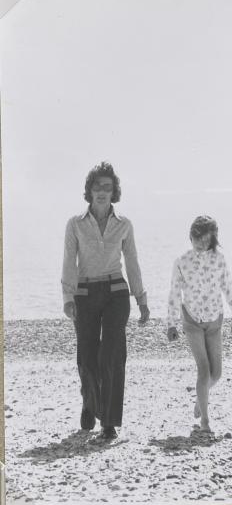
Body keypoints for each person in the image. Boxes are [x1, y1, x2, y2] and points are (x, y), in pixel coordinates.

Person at [62, 161, 150, 440]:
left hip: (116, 293)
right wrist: (68, 296)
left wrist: (141, 298)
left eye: (107, 187)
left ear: (114, 193)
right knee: (87, 359)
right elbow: (69, 262)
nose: (102, 191)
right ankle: (90, 402)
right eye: (97, 186)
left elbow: (132, 262)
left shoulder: (124, 225)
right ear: (89, 191)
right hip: (85, 294)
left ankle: (109, 422)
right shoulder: (75, 224)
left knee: (111, 355)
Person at [166, 216, 232, 432]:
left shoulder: (219, 260)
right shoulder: (181, 261)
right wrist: (171, 324)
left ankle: (200, 399)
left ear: (213, 239)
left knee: (216, 373)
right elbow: (174, 294)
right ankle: (205, 422)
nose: (202, 243)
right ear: (191, 237)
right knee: (203, 369)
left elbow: (229, 288)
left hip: (214, 320)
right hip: (191, 320)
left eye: (207, 240)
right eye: (198, 239)